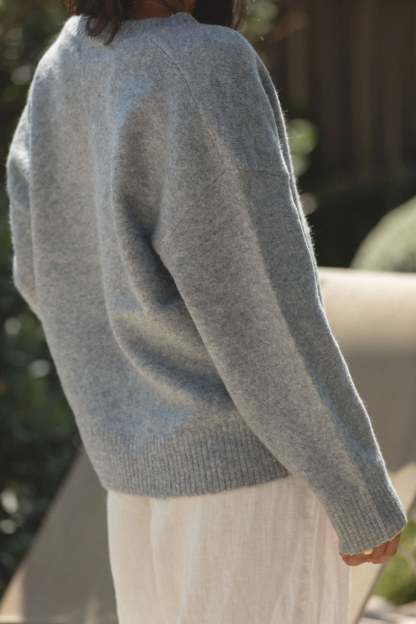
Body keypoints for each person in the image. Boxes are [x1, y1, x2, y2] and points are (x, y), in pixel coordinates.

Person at [5, 0, 407, 622]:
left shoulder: (65, 64)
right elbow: (265, 306)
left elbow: (39, 272)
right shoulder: (202, 64)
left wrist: (126, 394)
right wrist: (356, 489)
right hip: (249, 489)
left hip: (133, 486)